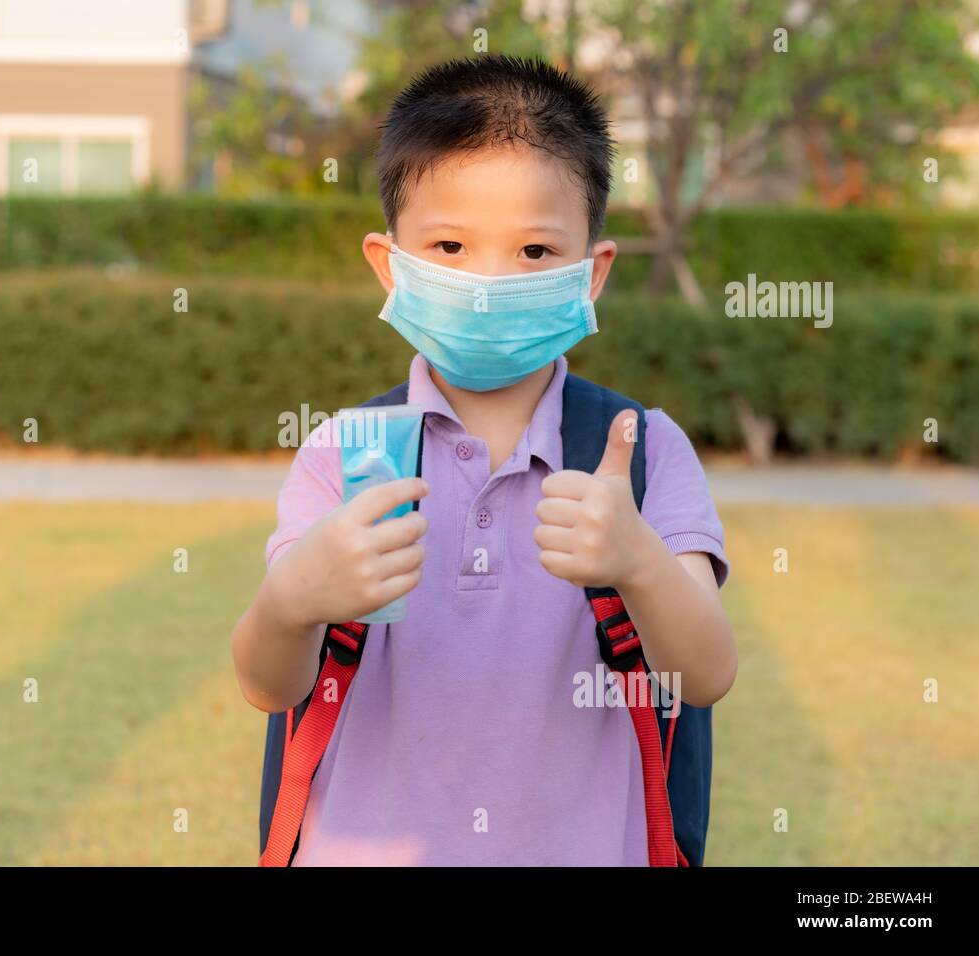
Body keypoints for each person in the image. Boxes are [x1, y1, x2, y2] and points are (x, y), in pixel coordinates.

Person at [232, 55, 736, 866]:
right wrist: (290, 600)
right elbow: (268, 686)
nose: (486, 283)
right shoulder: (345, 451)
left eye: (535, 251)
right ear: (387, 262)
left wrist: (638, 561)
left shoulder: (640, 451)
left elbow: (706, 674)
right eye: (451, 245)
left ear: (592, 272)